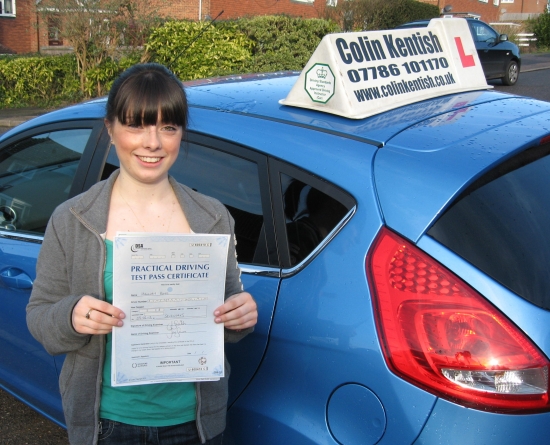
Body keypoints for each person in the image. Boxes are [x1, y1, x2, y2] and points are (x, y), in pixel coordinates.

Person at [26, 63, 258, 445]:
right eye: (136, 125)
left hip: (195, 425)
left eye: (168, 127)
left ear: (181, 134)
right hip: (108, 425)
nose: (153, 143)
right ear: (110, 129)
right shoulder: (72, 219)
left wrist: (240, 315)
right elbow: (39, 317)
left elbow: (230, 313)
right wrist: (71, 315)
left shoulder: (213, 217)